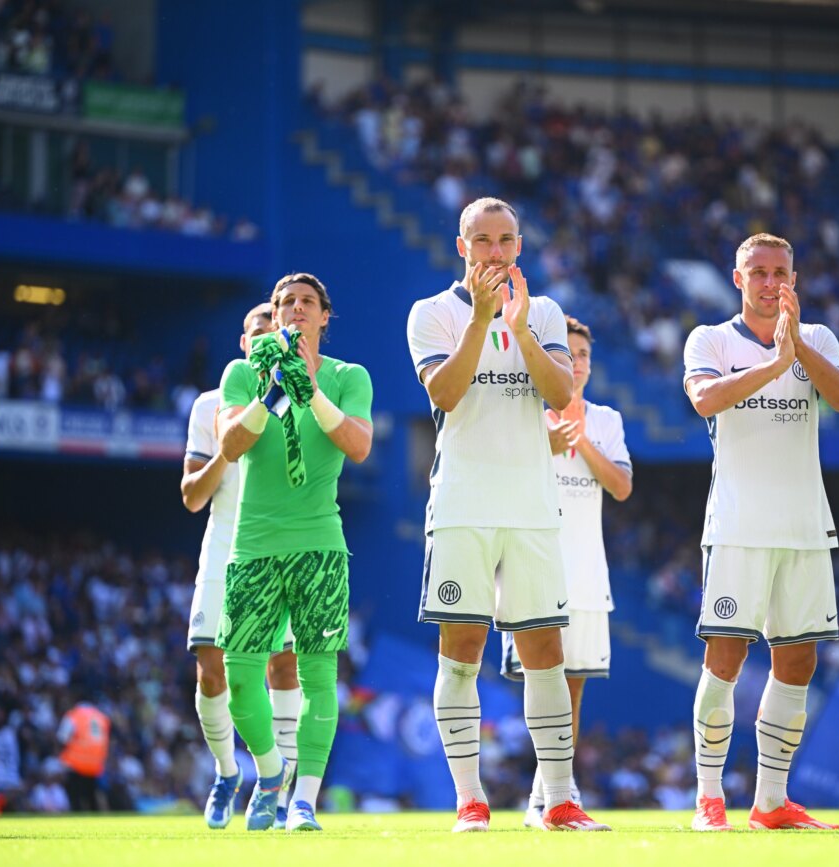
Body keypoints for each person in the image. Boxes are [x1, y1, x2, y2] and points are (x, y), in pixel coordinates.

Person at [407, 197, 608, 833]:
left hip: (529, 506)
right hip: (463, 504)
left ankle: (560, 800)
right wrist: (482, 318)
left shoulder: (544, 312)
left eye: (505, 240)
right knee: (461, 649)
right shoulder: (430, 313)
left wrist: (517, 325)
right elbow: (444, 394)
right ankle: (470, 799)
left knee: (545, 651)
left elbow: (558, 393)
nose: (494, 251)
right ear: (460, 246)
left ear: (519, 247)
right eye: (482, 240)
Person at [682, 232, 839, 832]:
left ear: (794, 278)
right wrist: (775, 365)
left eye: (780, 270)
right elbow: (704, 400)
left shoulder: (818, 339)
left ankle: (771, 802)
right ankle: (708, 797)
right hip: (737, 525)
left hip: (804, 526)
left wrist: (797, 348)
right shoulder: (710, 339)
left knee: (798, 661)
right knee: (725, 658)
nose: (769, 280)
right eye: (757, 270)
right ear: (738, 278)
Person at [216, 272, 373, 832]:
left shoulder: (350, 376)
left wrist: (313, 391)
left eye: (309, 302)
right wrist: (274, 393)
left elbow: (358, 445)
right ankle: (271, 769)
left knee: (319, 679)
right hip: (254, 547)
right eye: (287, 302)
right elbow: (231, 446)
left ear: (325, 316)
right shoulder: (241, 373)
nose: (298, 309)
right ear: (275, 313)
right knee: (239, 681)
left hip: (320, 545)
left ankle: (304, 799)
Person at [500, 315, 632, 828]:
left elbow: (621, 487)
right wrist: (546, 445)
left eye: (583, 356)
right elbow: (505, 474)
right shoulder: (525, 410)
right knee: (541, 680)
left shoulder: (606, 419)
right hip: (534, 564)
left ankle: (551, 795)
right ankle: (550, 795)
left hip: (587, 571)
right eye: (568, 354)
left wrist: (581, 442)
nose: (576, 364)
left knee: (574, 686)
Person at [181, 303, 302, 829]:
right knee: (212, 672)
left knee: (282, 668)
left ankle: (277, 791)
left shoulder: (300, 398)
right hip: (224, 550)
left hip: (281, 553)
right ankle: (228, 772)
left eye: (273, 333)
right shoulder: (210, 404)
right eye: (257, 334)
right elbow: (191, 496)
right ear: (242, 342)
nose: (264, 341)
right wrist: (230, 445)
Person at [57, 700, 110, 812]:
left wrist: (61, 759)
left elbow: (62, 738)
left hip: (76, 763)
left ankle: (77, 821)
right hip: (95, 764)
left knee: (75, 796)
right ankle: (95, 824)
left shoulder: (74, 715)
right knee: (91, 795)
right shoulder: (101, 717)